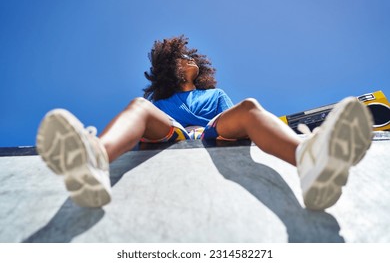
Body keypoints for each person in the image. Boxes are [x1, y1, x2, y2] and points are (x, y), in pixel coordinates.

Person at [36, 35, 373, 210]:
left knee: (250, 106)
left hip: (212, 135)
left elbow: (230, 122)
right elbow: (150, 123)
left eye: (191, 57)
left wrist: (214, 129)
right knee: (138, 106)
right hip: (172, 136)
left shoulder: (215, 95)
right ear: (171, 66)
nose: (190, 58)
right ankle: (94, 158)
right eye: (183, 57)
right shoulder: (160, 101)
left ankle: (311, 162)